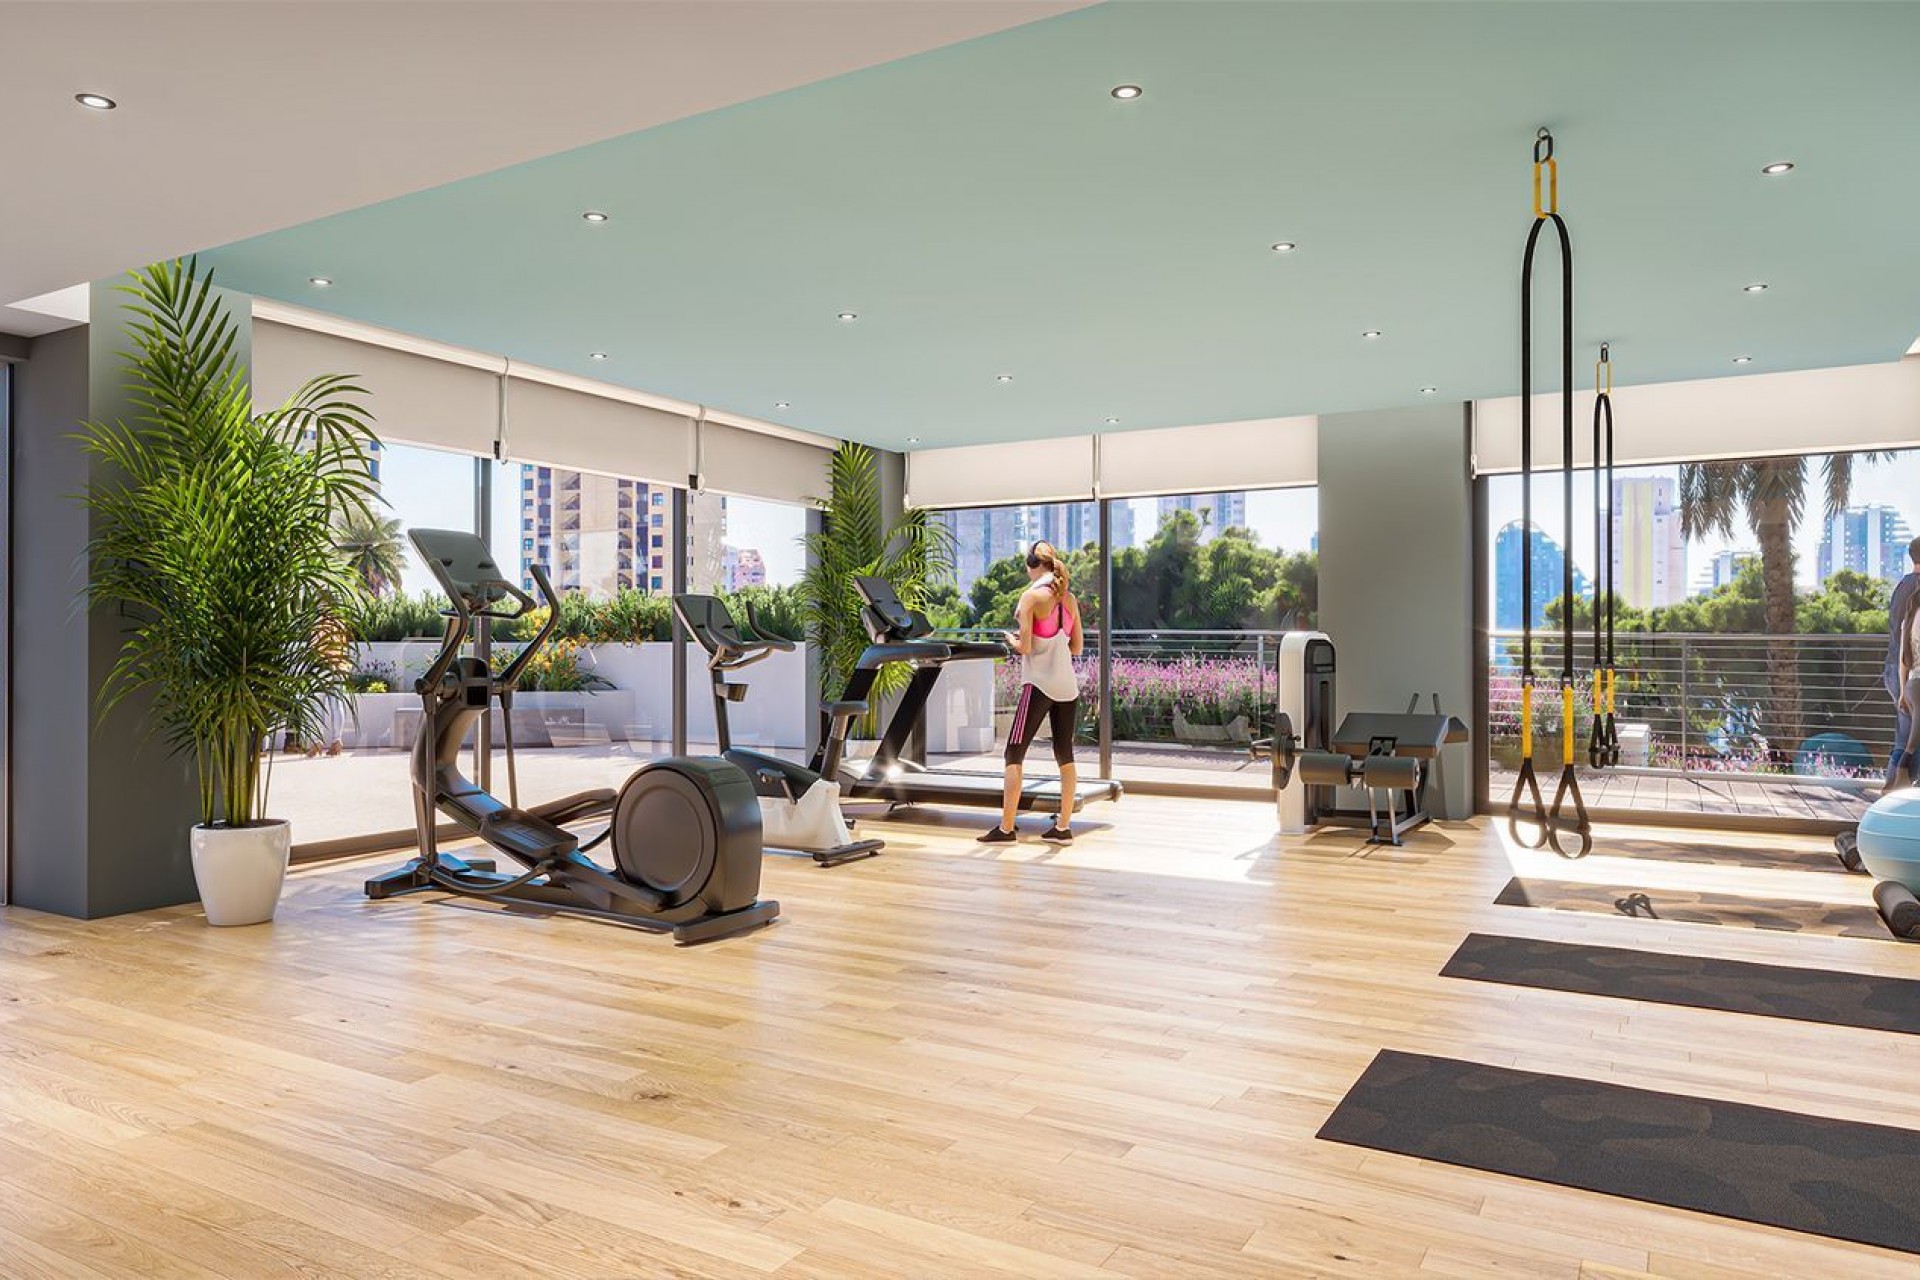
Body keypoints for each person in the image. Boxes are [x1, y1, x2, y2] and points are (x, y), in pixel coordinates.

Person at [979, 541, 1083, 844]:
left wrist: (1011, 640)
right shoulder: (1069, 599)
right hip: (1067, 687)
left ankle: (1006, 829)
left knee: (1013, 752)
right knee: (1065, 754)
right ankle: (1063, 828)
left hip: (1038, 684)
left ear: (1032, 565)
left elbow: (1024, 647)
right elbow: (1076, 647)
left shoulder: (1030, 597)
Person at [1887, 538, 1920, 788]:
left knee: (1906, 739)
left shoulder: (1903, 586)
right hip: (1910, 672)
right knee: (1911, 742)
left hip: (1899, 670)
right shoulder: (1916, 587)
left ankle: (1892, 790)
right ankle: (1896, 791)